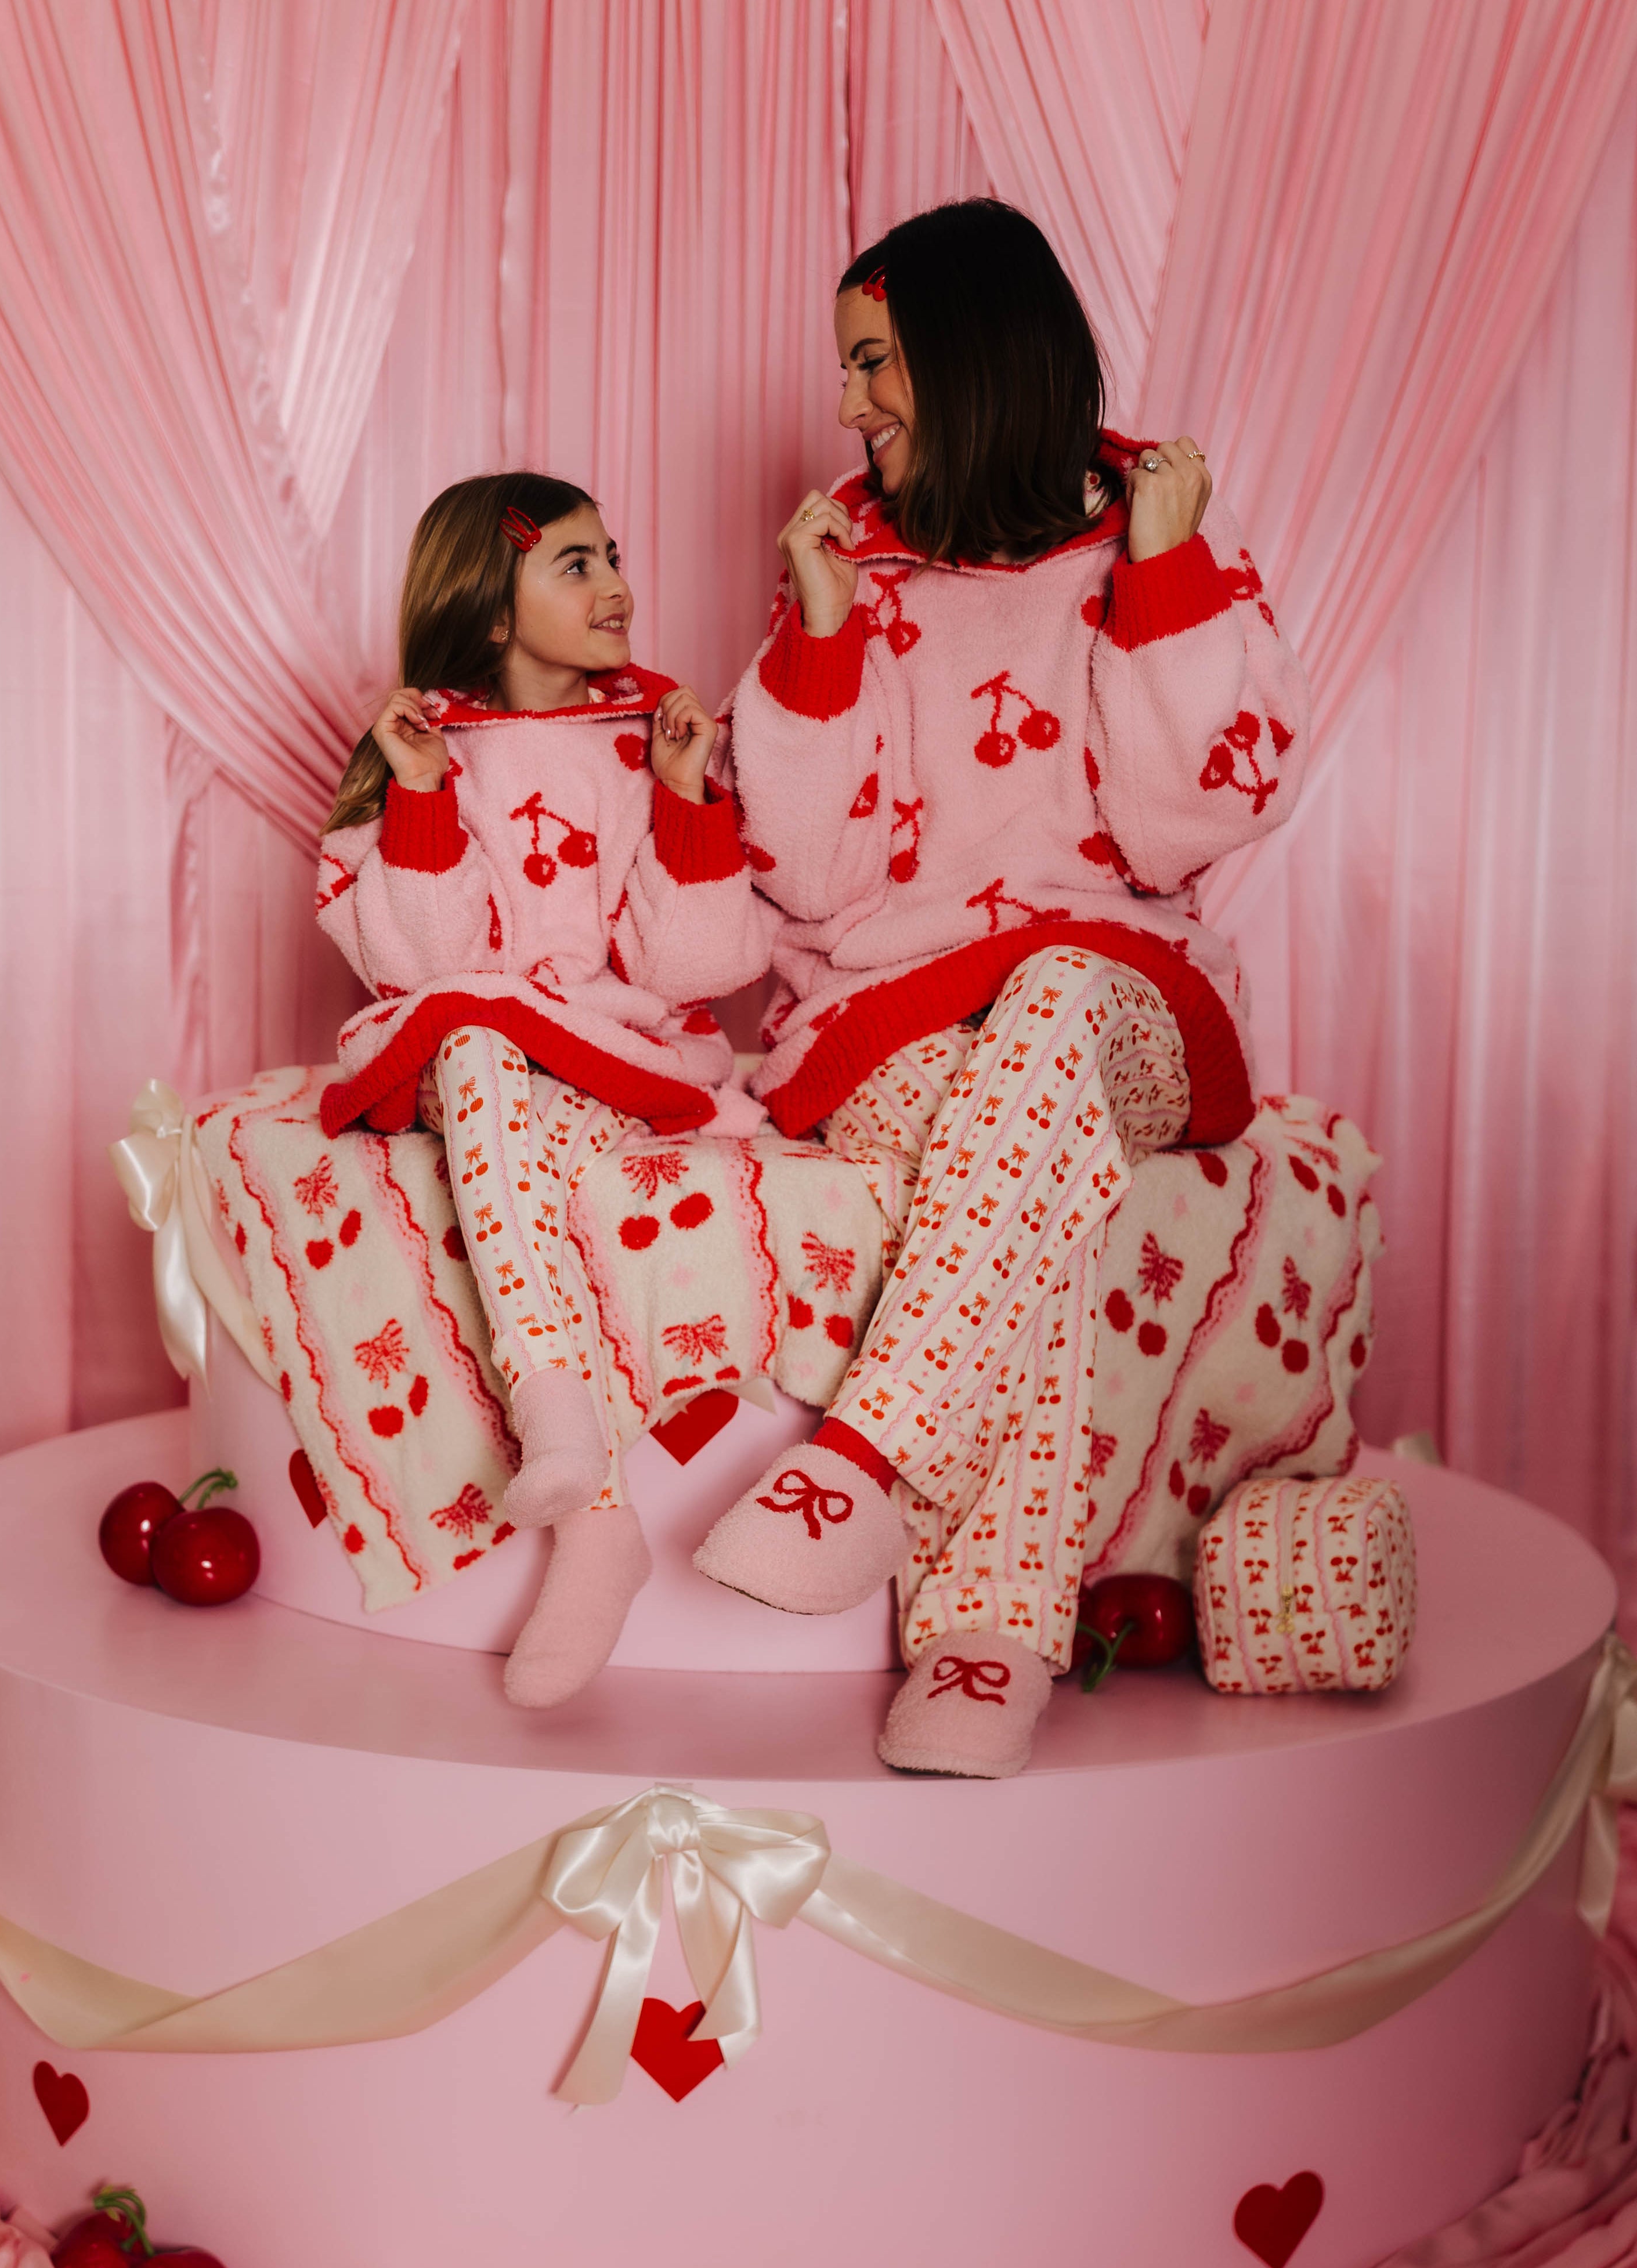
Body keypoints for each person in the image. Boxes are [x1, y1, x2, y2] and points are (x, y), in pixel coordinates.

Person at [695, 199, 1310, 1778]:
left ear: (969, 354)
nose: (847, 406)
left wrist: (1164, 580)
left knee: (1040, 1015)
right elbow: (808, 885)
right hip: (896, 1010)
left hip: (1120, 997)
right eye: (848, 372)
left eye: (874, 364)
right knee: (997, 1163)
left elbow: (1202, 813)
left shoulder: (1147, 530)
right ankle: (987, 1640)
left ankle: (877, 1455)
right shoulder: (846, 554)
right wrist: (822, 647)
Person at [317, 472, 771, 1707]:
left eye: (611, 553)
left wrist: (683, 805)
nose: (617, 582)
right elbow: (422, 966)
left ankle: (586, 1496)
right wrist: (417, 794)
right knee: (468, 1043)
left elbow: (700, 967)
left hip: (613, 1053)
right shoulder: (431, 747)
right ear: (491, 604)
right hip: (485, 1054)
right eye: (573, 563)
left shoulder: (646, 743)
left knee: (483, 1050)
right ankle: (580, 1473)